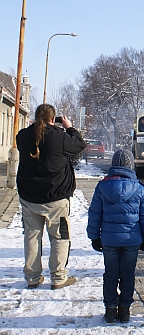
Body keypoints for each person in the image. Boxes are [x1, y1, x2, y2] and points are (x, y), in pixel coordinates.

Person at [16, 104, 86, 290]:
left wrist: (34, 127)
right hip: (56, 198)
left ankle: (32, 277)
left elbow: (28, 138)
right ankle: (58, 278)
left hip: (29, 197)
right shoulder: (60, 138)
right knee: (59, 238)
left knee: (31, 237)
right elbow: (79, 145)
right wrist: (69, 127)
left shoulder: (23, 136)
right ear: (53, 119)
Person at [87, 149, 144, 325]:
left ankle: (110, 311)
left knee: (110, 275)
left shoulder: (102, 187)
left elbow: (94, 214)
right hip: (132, 240)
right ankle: (124, 310)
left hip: (109, 240)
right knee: (127, 275)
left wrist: (94, 237)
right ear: (130, 165)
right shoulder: (139, 188)